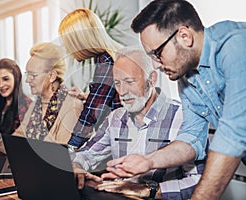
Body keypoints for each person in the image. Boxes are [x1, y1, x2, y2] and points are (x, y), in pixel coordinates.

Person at [102, 0, 246, 199]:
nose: (156, 65)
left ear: (184, 36)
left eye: (157, 53)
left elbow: (233, 135)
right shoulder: (187, 75)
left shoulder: (236, 46)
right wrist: (149, 161)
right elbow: (191, 138)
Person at [72, 47, 206, 199]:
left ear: (152, 79)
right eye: (117, 83)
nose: (122, 91)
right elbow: (86, 154)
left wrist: (150, 190)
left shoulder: (184, 118)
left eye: (129, 81)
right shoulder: (115, 118)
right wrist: (77, 167)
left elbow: (202, 182)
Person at [0, 42, 83, 154]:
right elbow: (15, 144)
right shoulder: (36, 106)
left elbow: (59, 156)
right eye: (28, 74)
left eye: (33, 75)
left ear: (51, 76)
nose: (28, 80)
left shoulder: (71, 106)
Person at [58, 8, 124, 150]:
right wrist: (86, 96)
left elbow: (93, 111)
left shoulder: (106, 62)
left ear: (80, 41)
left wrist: (72, 145)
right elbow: (110, 96)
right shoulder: (109, 57)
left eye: (68, 42)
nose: (68, 49)